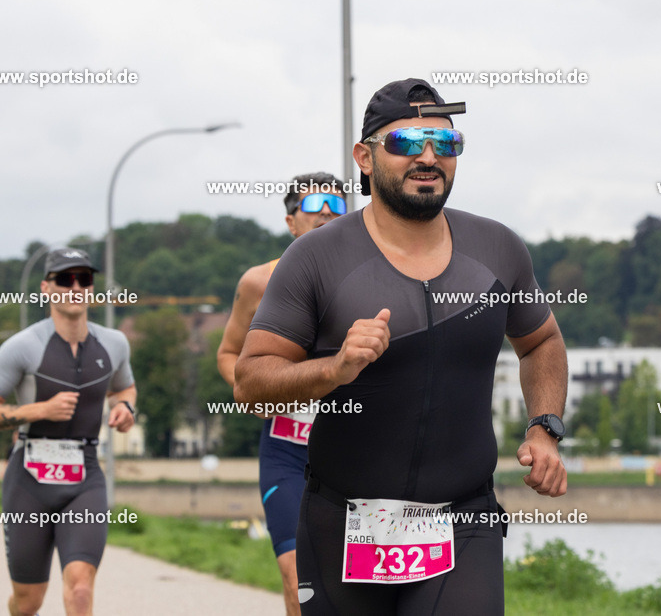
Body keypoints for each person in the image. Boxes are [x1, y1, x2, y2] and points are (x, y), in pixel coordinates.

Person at [236, 78, 569, 615]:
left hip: (462, 519)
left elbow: (542, 342)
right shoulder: (315, 259)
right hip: (341, 523)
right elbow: (251, 385)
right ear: (364, 158)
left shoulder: (498, 249)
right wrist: (333, 369)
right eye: (408, 143)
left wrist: (545, 427)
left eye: (447, 145)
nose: (429, 157)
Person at [0, 247, 137, 616]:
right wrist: (40, 410)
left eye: (85, 279)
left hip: (85, 476)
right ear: (47, 288)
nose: (76, 287)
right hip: (29, 480)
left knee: (80, 588)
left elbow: (124, 388)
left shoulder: (114, 343)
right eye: (65, 279)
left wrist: (125, 407)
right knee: (28, 601)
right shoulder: (22, 346)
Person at [217, 172, 347, 616]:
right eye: (314, 206)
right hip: (287, 452)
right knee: (297, 577)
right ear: (291, 221)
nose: (327, 213)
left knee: (351, 582)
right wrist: (251, 390)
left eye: (337, 206)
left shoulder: (371, 278)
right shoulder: (259, 282)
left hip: (352, 449)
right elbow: (229, 354)